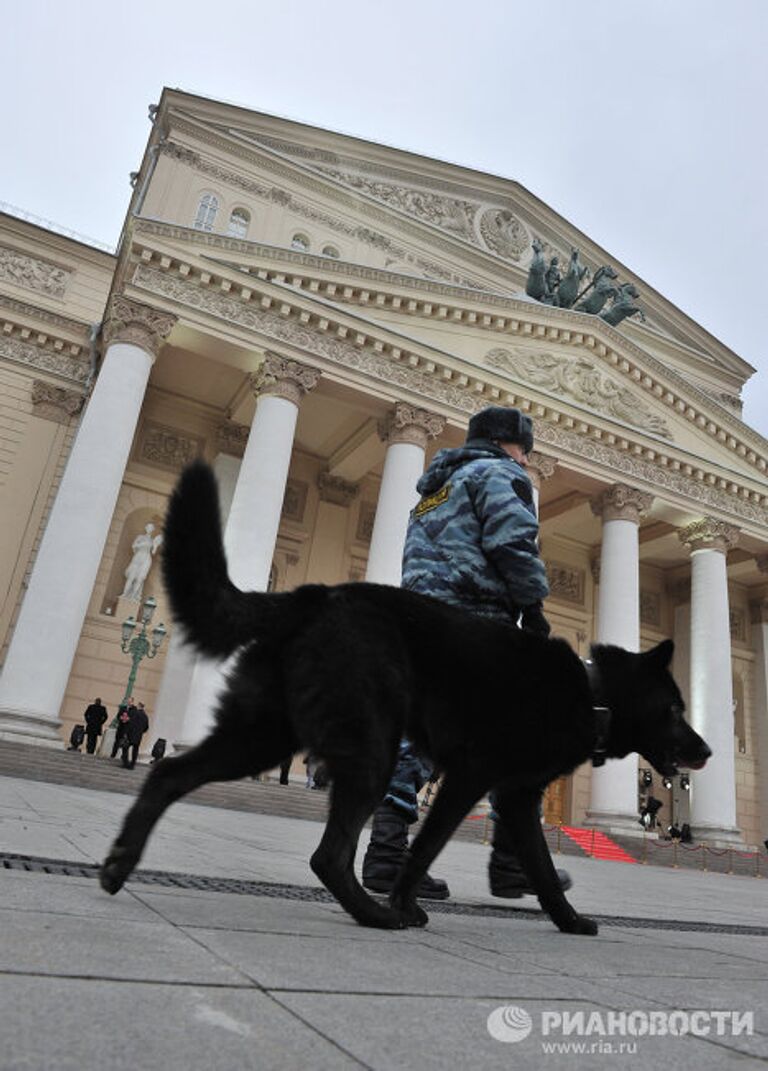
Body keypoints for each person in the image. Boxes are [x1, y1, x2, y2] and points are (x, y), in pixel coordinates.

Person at [362, 405, 571, 900]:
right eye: (525, 449)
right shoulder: (501, 474)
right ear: (511, 444)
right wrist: (532, 606)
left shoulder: (434, 490)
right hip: (477, 624)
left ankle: (386, 854)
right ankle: (512, 862)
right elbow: (513, 541)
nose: (526, 458)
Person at [121, 524, 163, 601]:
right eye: (148, 527)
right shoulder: (140, 537)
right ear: (146, 528)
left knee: (140, 578)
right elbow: (133, 547)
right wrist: (141, 544)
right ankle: (125, 594)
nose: (149, 529)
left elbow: (153, 552)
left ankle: (134, 596)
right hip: (138, 556)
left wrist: (156, 545)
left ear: (152, 529)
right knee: (131, 577)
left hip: (147, 558)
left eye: (151, 528)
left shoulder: (152, 540)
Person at [121, 701, 150, 769]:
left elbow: (130, 724)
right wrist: (141, 732)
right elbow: (146, 727)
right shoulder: (145, 716)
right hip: (138, 736)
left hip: (131, 734)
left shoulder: (135, 713)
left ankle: (126, 763)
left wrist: (126, 733)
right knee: (135, 750)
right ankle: (133, 764)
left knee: (125, 748)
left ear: (139, 706)